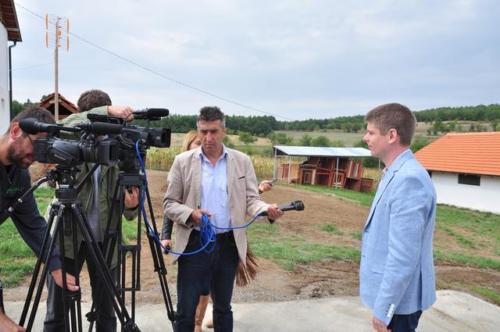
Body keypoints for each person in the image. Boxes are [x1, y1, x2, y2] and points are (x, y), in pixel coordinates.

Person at [163, 106, 283, 332]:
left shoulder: (242, 161)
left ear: (224, 131)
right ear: (198, 130)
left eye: (214, 131)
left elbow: (251, 200)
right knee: (185, 310)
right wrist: (192, 214)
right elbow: (169, 204)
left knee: (223, 309)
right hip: (195, 243)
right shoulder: (182, 161)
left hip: (228, 244)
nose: (208, 138)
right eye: (204, 131)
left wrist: (266, 208)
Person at [44, 90, 139, 332]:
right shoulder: (70, 141)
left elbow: (131, 208)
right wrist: (102, 114)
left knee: (107, 313)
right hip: (67, 240)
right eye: (100, 121)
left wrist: (133, 205)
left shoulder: (120, 148)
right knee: (58, 313)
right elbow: (63, 125)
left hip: (106, 241)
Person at [0, 107, 79, 332]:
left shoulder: (18, 173)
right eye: (36, 145)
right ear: (16, 131)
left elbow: (32, 223)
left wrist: (55, 265)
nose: (37, 157)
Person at [360, 103, 436, 332]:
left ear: (391, 135)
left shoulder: (408, 180)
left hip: (400, 306)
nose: (365, 138)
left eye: (371, 132)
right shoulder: (395, 172)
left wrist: (384, 310)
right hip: (398, 302)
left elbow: (403, 256)